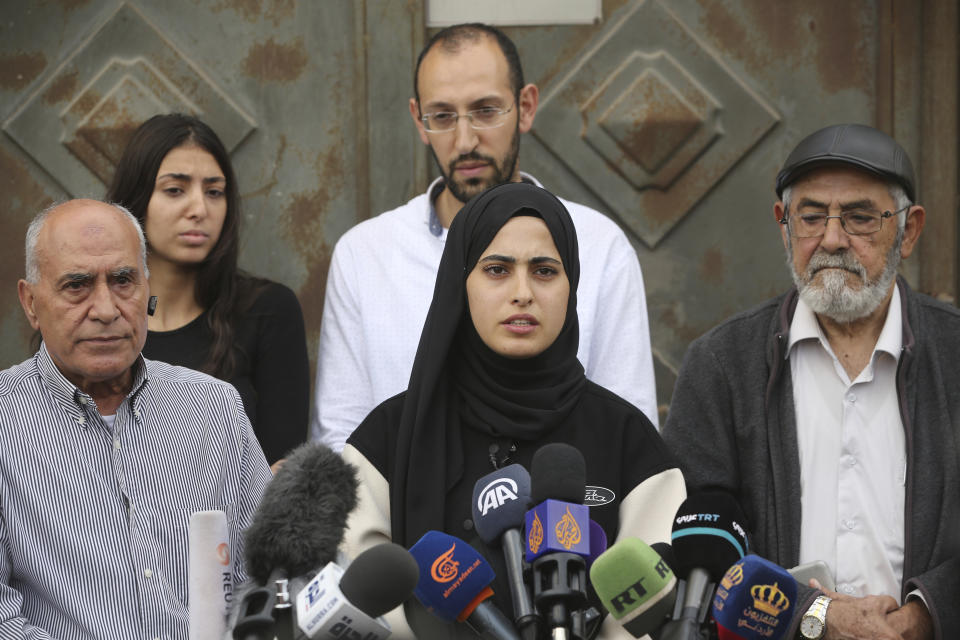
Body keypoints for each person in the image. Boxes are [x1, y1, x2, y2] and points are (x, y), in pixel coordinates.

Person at [340, 182, 685, 639]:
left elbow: (651, 606)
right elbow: (363, 606)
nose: (522, 293)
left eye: (544, 271)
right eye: (497, 269)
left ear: (571, 285)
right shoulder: (385, 440)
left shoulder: (627, 439)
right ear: (460, 282)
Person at [662, 124, 959, 639]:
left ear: (909, 230)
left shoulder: (953, 355)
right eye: (812, 216)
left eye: (861, 218)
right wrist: (809, 615)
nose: (832, 240)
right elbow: (694, 547)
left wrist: (927, 614)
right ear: (783, 225)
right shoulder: (721, 364)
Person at [312, 23, 658, 452]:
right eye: (442, 116)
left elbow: (628, 433)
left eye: (486, 110)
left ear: (526, 107)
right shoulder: (365, 254)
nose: (465, 140)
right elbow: (342, 444)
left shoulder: (599, 246)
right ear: (419, 121)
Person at [2, 199, 271, 638]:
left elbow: (266, 573)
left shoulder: (213, 408)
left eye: (123, 280)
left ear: (147, 287)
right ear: (31, 303)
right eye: (77, 285)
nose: (106, 309)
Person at [107, 114, 310, 465]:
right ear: (136, 199)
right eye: (175, 190)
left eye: (214, 192)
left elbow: (282, 470)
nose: (199, 209)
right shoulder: (98, 316)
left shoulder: (267, 311)